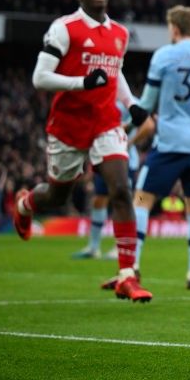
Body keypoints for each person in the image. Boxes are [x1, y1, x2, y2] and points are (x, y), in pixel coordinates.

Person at [13, 0, 152, 302]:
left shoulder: (119, 32)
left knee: (121, 189)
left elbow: (113, 73)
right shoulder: (65, 28)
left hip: (106, 122)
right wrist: (81, 83)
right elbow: (39, 77)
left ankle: (126, 275)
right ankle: (26, 204)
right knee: (59, 195)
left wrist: (130, 102)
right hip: (68, 126)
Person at [129, 5, 190, 290]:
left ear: (175, 28)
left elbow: (145, 104)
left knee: (142, 200)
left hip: (169, 141)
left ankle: (132, 265)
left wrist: (126, 123)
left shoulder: (165, 55)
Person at [72, 98, 155, 260]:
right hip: (104, 158)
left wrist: (130, 143)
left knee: (126, 200)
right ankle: (94, 247)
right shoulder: (102, 98)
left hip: (126, 161)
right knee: (99, 200)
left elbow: (148, 125)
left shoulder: (130, 101)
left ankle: (122, 247)